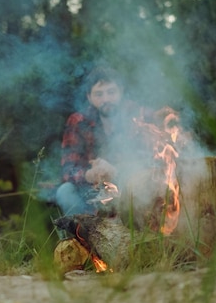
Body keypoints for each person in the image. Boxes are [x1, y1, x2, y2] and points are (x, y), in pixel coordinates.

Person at [55, 66, 153, 216]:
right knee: (65, 191)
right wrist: (90, 174)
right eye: (99, 94)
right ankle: (85, 235)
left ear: (121, 91)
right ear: (89, 97)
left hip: (131, 185)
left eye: (111, 92)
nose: (106, 99)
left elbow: (152, 159)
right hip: (92, 190)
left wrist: (116, 171)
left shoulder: (138, 115)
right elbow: (68, 168)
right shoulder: (78, 121)